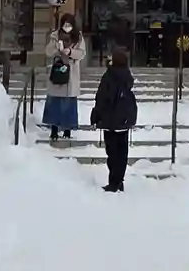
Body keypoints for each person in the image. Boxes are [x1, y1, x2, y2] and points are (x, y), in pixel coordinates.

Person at [89, 44, 138, 192]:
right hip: (123, 119)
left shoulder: (109, 76)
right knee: (122, 152)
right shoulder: (127, 76)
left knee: (112, 152)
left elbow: (102, 98)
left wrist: (96, 115)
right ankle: (119, 179)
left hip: (110, 119)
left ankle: (114, 182)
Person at [41, 14, 85, 143]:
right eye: (65, 24)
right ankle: (54, 130)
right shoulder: (55, 36)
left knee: (68, 103)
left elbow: (82, 53)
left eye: (69, 24)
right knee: (55, 103)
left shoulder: (78, 37)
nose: (67, 27)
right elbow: (48, 52)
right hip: (58, 70)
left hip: (71, 72)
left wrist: (70, 52)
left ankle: (67, 130)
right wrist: (57, 47)